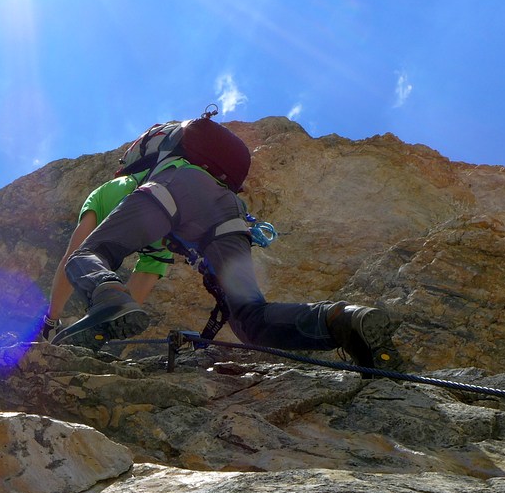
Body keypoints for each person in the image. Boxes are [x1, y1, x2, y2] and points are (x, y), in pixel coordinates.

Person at [54, 116, 405, 371]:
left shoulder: (125, 184)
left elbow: (82, 253)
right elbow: (138, 291)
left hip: (175, 191)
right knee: (251, 320)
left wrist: (53, 321)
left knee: (88, 254)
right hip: (230, 214)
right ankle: (342, 320)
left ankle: (101, 295)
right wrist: (112, 325)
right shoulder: (208, 186)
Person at [41, 173, 169, 341]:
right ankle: (102, 323)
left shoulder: (108, 190)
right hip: (172, 209)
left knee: (79, 254)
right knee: (127, 303)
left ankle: (51, 324)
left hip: (120, 191)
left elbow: (74, 254)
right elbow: (146, 274)